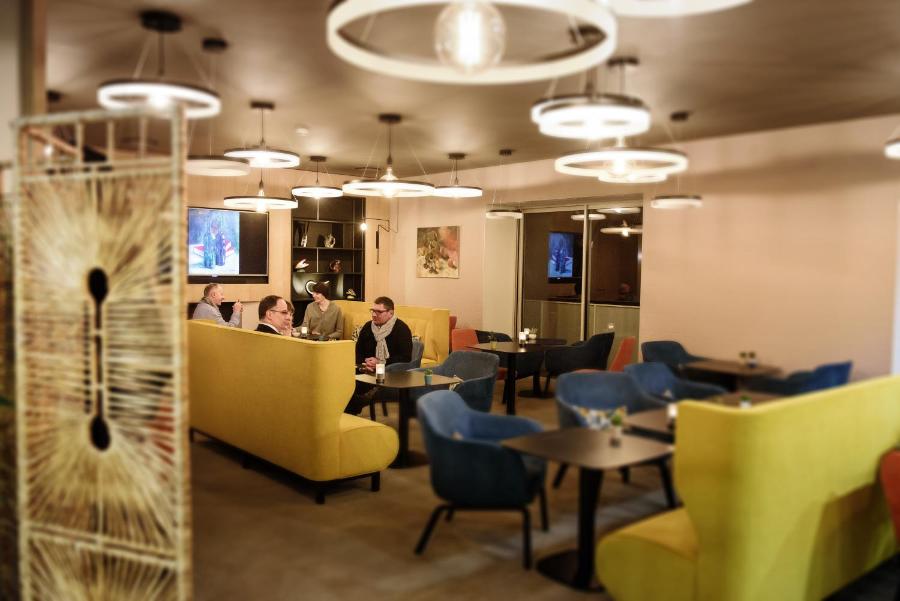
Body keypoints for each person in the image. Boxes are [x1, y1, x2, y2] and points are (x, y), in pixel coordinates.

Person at [356, 296, 412, 373]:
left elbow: (405, 358)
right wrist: (365, 364)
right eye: (373, 311)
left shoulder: (402, 329)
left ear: (391, 313)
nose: (374, 315)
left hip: (391, 372)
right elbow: (358, 351)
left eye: (379, 312)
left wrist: (380, 363)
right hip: (365, 369)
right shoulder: (367, 326)